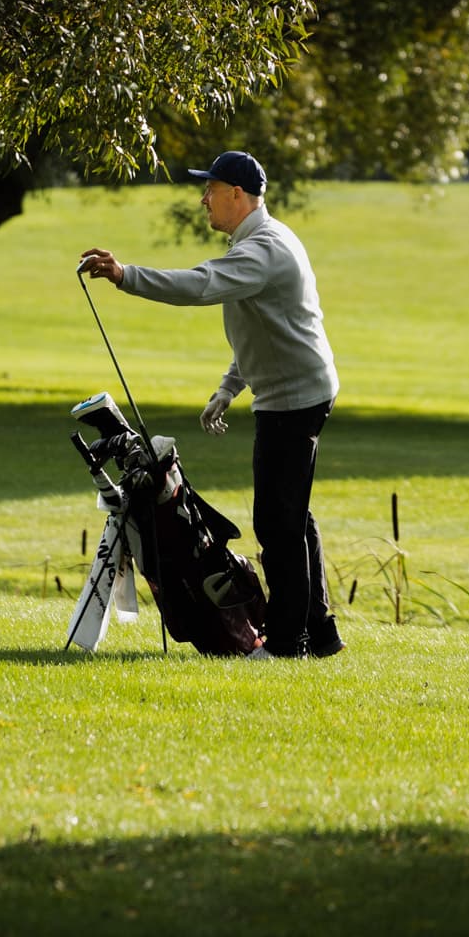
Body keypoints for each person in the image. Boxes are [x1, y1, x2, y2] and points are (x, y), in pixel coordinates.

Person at [80, 151, 342, 659]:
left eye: (212, 189)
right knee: (293, 515)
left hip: (292, 400)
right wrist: (228, 387)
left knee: (276, 523)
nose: (204, 199)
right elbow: (267, 329)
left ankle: (288, 644)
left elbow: (200, 285)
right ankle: (320, 631)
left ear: (237, 196)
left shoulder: (262, 250)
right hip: (297, 390)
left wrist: (124, 275)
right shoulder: (263, 241)